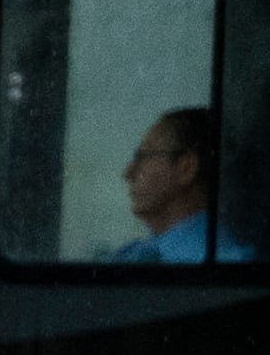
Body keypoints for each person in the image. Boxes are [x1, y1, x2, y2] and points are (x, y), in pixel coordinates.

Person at [105, 107, 251, 264]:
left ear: (186, 168)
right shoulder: (137, 253)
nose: (128, 173)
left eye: (143, 157)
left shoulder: (223, 263)